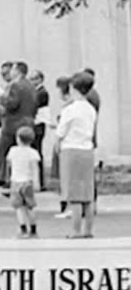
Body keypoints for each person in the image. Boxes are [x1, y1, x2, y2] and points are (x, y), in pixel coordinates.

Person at [54, 73, 97, 239]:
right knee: (87, 194)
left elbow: (61, 132)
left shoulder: (70, 109)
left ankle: (76, 230)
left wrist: (57, 145)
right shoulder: (90, 109)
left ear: (73, 88)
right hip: (87, 149)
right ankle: (88, 230)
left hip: (71, 150)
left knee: (74, 195)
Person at [0, 61, 37, 188]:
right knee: (23, 153)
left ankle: (4, 177)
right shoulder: (30, 85)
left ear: (18, 71)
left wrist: (1, 97)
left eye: (12, 70)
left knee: (5, 151)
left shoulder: (15, 85)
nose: (10, 72)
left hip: (13, 123)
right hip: (28, 121)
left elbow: (12, 104)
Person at [7, 127, 40, 239]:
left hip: (15, 182)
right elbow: (35, 169)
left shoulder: (13, 151)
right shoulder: (33, 153)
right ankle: (33, 229)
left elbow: (9, 164)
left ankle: (23, 229)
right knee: (30, 207)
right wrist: (36, 182)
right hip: (28, 182)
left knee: (19, 207)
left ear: (18, 139)